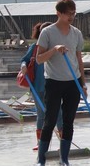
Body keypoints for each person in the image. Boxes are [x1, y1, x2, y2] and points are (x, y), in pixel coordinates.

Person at [34, 0, 87, 166]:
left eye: (74, 13)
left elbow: (79, 59)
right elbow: (39, 59)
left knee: (68, 121)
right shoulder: (47, 33)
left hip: (73, 82)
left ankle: (64, 159)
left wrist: (83, 84)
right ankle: (41, 159)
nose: (72, 16)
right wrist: (55, 49)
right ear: (59, 13)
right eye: (68, 13)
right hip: (54, 82)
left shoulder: (76, 33)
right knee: (49, 120)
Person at [20, 22, 63, 151]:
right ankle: (40, 142)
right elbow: (24, 60)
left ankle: (63, 141)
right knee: (41, 114)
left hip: (54, 86)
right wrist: (23, 66)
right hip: (38, 87)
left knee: (58, 113)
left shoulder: (57, 49)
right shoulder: (34, 48)